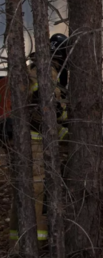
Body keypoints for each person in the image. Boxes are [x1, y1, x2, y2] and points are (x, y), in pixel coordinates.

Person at [6, 33, 69, 243]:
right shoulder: (48, 74)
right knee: (37, 193)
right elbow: (54, 113)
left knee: (22, 192)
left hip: (21, 142)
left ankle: (18, 242)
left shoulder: (34, 71)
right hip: (35, 143)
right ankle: (35, 245)